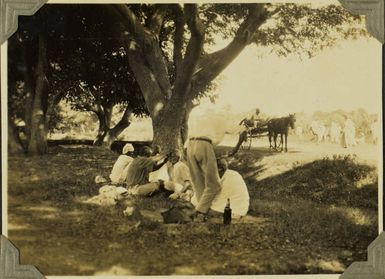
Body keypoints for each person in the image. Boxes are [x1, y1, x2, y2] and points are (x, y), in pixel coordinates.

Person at [186, 114, 226, 221]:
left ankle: (201, 214)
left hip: (190, 144)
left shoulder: (198, 115)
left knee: (198, 182)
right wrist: (245, 128)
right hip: (204, 144)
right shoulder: (219, 117)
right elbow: (232, 128)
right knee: (214, 184)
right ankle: (199, 211)